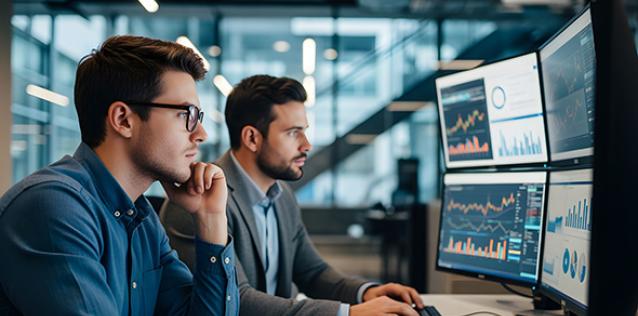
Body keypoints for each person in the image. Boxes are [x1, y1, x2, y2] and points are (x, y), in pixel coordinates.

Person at [0, 35, 238, 315]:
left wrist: (211, 218)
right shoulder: (53, 208)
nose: (201, 134)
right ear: (123, 119)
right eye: (188, 114)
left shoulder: (140, 217)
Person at [160, 74, 424, 316]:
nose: (307, 145)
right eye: (293, 133)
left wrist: (365, 292)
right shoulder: (199, 199)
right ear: (252, 138)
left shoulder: (282, 195)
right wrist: (348, 314)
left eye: (305, 131)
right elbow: (237, 300)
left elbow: (313, 272)